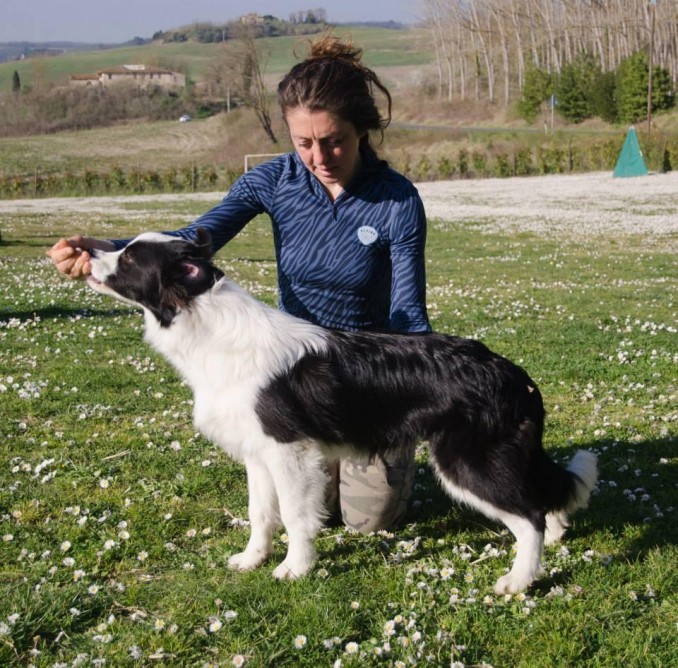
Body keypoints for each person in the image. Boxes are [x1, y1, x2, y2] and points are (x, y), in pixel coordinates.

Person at [47, 35, 431, 533]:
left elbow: (408, 315)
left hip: (366, 374)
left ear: (362, 129)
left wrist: (425, 382)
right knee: (308, 493)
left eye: (334, 140)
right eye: (303, 143)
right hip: (294, 372)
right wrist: (103, 252)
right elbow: (190, 243)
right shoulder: (272, 182)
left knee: (367, 522)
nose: (319, 156)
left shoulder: (397, 200)